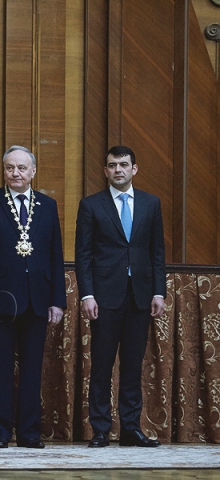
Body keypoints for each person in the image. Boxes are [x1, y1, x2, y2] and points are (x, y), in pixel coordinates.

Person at [0, 145, 66, 449]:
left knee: (33, 370)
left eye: (22, 168)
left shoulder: (48, 206)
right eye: (10, 167)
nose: (16, 173)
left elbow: (55, 256)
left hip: (38, 299)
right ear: (4, 170)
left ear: (33, 172)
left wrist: (58, 300)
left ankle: (29, 433)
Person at [75, 145, 166, 448]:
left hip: (140, 297)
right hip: (104, 297)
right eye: (112, 165)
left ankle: (130, 428)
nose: (118, 170)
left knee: (132, 366)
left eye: (124, 165)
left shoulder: (151, 204)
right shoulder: (91, 205)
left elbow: (156, 252)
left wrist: (158, 291)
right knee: (101, 366)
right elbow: (83, 254)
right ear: (105, 171)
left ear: (134, 169)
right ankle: (100, 429)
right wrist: (87, 294)